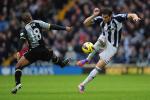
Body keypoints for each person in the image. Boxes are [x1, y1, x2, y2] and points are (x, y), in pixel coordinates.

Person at [77, 7, 141, 93]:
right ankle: (87, 60)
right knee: (101, 39)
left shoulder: (117, 18)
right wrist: (94, 15)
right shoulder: (100, 19)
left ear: (110, 16)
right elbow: (85, 23)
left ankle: (82, 84)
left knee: (99, 66)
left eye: (106, 17)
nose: (104, 19)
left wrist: (135, 17)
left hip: (112, 46)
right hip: (104, 39)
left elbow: (131, 14)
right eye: (103, 17)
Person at [11, 12, 72, 94]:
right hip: (42, 49)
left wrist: (18, 51)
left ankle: (18, 84)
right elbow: (52, 26)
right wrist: (64, 28)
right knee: (50, 52)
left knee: (18, 66)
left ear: (23, 21)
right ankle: (61, 63)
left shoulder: (24, 29)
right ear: (30, 17)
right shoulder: (38, 22)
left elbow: (21, 40)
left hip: (33, 52)